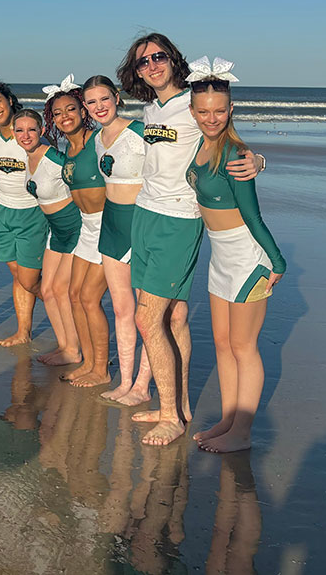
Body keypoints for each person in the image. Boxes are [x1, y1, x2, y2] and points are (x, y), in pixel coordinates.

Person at [116, 33, 262, 446]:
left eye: (159, 57)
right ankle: (178, 407)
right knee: (174, 317)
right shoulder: (151, 108)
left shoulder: (193, 103)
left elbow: (228, 138)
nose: (152, 65)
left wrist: (258, 160)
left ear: (174, 60)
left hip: (179, 220)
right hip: (145, 213)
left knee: (147, 319)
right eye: (144, 61)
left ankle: (170, 418)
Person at [186, 60, 286, 453]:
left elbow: (253, 217)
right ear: (193, 111)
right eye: (204, 111)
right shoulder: (200, 145)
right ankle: (228, 421)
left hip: (247, 258)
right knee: (223, 344)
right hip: (220, 259)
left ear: (231, 110)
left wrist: (277, 262)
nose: (212, 118)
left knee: (245, 347)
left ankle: (242, 433)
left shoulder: (234, 154)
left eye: (220, 110)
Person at [84, 74, 153, 406]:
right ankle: (125, 381)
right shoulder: (97, 139)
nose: (99, 107)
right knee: (122, 309)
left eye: (104, 99)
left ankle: (142, 385)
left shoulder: (141, 132)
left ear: (117, 97)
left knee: (148, 314)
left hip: (141, 222)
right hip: (111, 224)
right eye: (92, 102)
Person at [0, 82, 42, 348]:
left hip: (31, 213)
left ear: (10, 100)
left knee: (29, 278)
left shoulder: (27, 133)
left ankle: (69, 307)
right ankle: (23, 332)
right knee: (18, 275)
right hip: (3, 211)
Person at [13, 105, 82, 367]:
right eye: (20, 130)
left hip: (75, 228)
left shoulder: (55, 159)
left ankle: (74, 350)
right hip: (56, 230)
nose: (26, 135)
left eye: (32, 129)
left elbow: (84, 182)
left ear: (42, 130)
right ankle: (64, 345)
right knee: (47, 289)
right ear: (14, 133)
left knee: (60, 290)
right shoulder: (28, 158)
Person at [51, 87, 109, 388]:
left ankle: (102, 369)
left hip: (107, 225)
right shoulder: (68, 150)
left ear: (83, 111)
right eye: (58, 113)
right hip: (86, 227)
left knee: (89, 297)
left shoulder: (98, 142)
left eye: (71, 109)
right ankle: (88, 361)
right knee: (74, 295)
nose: (65, 117)